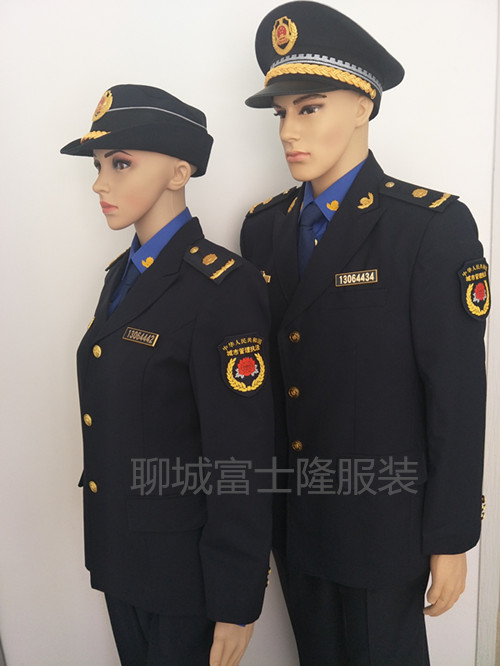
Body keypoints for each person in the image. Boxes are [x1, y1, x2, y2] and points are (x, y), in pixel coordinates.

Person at [240, 3, 489, 664]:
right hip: (297, 523)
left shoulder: (427, 228)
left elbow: (457, 394)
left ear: (362, 105)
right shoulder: (263, 230)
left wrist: (451, 536)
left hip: (385, 527)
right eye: (281, 113)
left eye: (309, 108)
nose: (289, 131)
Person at [61, 83, 273, 666]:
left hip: (186, 578)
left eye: (120, 163)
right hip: (122, 557)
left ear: (180, 171)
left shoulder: (222, 287)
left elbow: (242, 455)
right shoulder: (122, 275)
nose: (100, 183)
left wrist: (236, 599)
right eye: (99, 166)